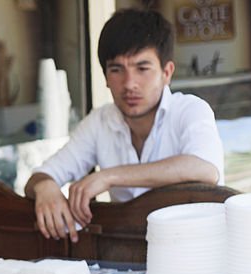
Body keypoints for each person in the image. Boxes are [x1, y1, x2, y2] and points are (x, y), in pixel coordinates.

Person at [24, 8, 224, 242]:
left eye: (142, 69)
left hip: (198, 247)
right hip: (131, 252)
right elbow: (40, 177)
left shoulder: (190, 109)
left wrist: (109, 177)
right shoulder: (99, 122)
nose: (129, 84)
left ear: (166, 72)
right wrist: (45, 187)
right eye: (117, 70)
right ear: (106, 78)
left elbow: (205, 169)